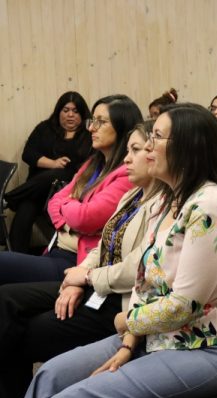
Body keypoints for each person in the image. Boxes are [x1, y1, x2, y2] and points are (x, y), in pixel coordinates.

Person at [25, 103, 217, 398]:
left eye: (156, 137)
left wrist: (126, 322)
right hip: (155, 336)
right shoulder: (165, 200)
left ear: (187, 147)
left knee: (76, 396)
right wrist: (128, 342)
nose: (147, 147)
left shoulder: (209, 205)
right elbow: (145, 284)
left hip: (208, 347)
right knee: (50, 375)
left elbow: (183, 306)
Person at [0, 121, 162, 398]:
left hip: (118, 298)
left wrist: (86, 277)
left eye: (135, 150)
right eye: (127, 150)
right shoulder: (132, 193)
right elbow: (102, 245)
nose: (126, 159)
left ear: (156, 153)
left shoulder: (161, 203)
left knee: (20, 332)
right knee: (5, 300)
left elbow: (137, 267)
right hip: (92, 281)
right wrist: (79, 275)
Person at [0, 94, 143, 285]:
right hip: (56, 249)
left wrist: (68, 206)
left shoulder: (126, 174)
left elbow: (85, 218)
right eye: (93, 120)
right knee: (29, 205)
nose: (91, 128)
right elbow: (54, 201)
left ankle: (10, 199)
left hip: (77, 261)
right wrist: (66, 223)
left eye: (101, 122)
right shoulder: (94, 163)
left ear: (122, 126)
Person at [5, 91, 93, 253]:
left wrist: (62, 169)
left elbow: (89, 164)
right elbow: (28, 154)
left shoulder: (89, 134)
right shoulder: (45, 128)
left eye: (75, 111)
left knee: (59, 174)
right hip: (37, 191)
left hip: (68, 188)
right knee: (25, 211)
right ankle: (15, 256)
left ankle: (9, 199)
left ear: (83, 114)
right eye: (66, 110)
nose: (70, 115)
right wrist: (52, 163)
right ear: (58, 112)